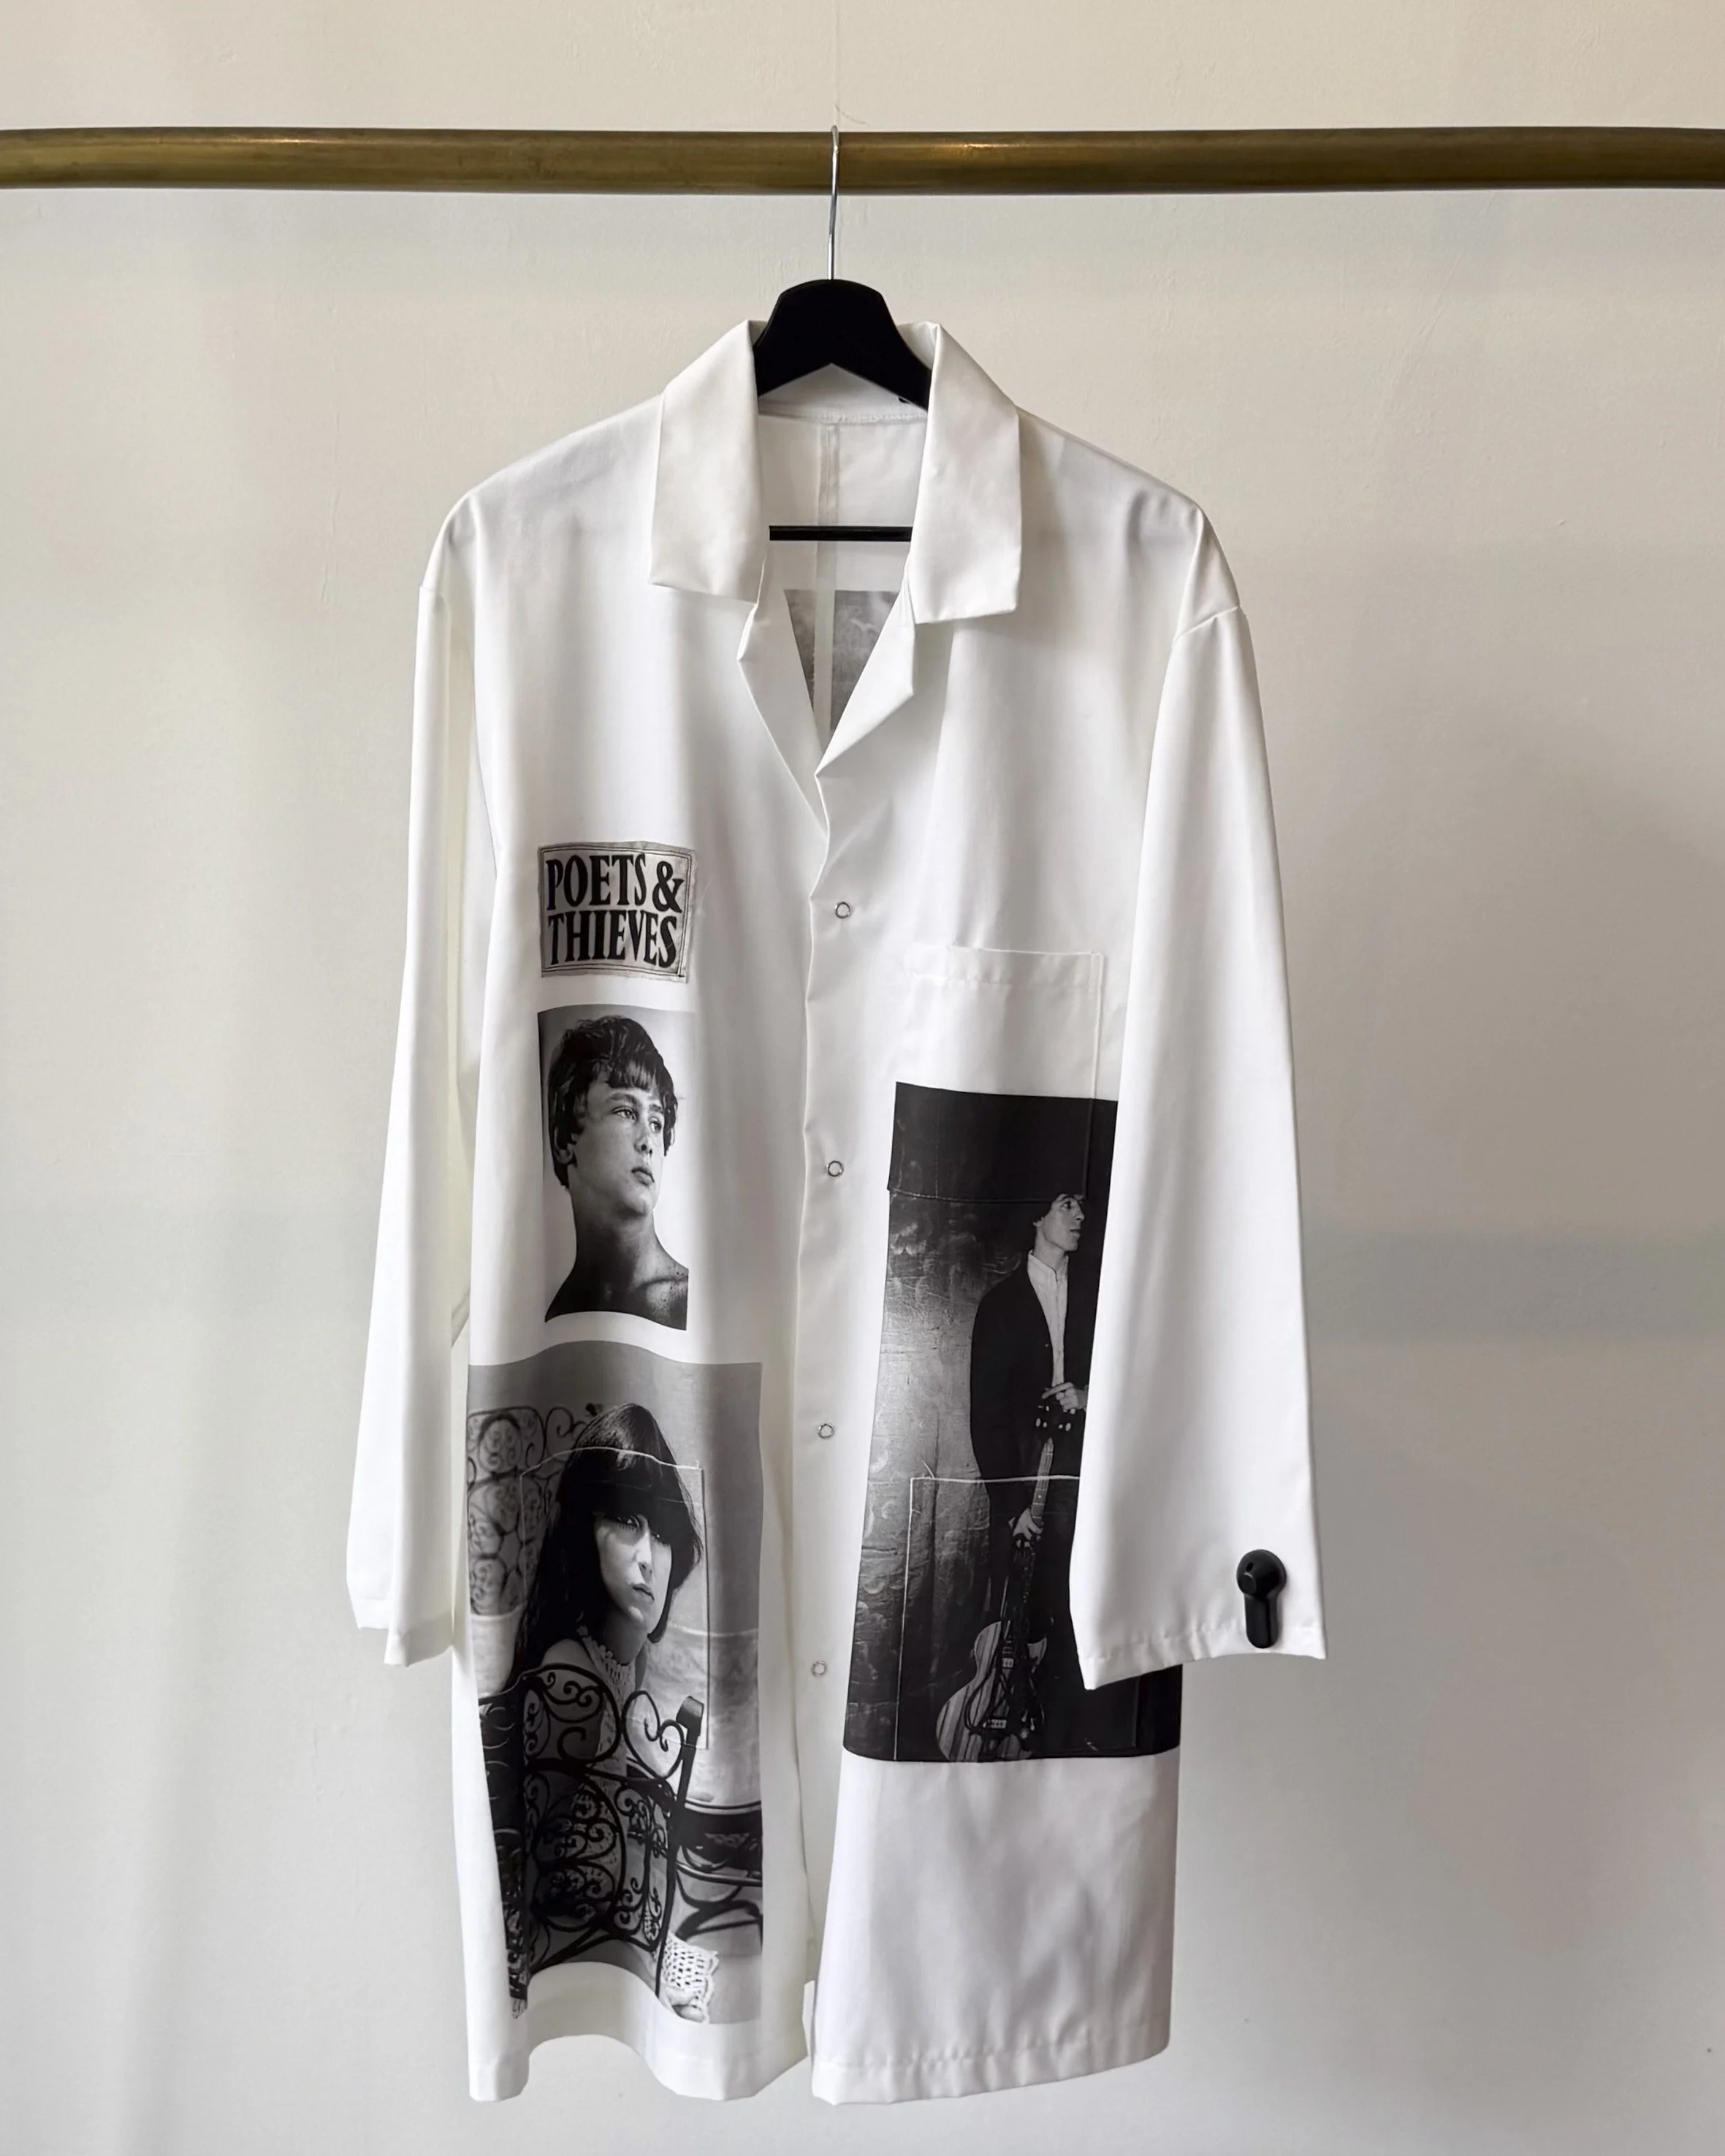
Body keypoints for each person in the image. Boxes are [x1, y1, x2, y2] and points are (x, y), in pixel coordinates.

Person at [501, 1403, 716, 2014]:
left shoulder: (626, 1658)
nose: (649, 1557)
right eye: (625, 1520)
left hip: (615, 1903)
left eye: (663, 1532)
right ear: (584, 1530)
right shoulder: (571, 1675)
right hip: (575, 1934)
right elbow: (536, 1865)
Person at [965, 1192, 1094, 1754]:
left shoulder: (1097, 1300)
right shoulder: (1001, 1304)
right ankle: (1011, 1724)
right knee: (1022, 1606)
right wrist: (1012, 1506)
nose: (1079, 1216)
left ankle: (1063, 1736)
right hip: (1025, 1479)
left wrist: (1087, 1394)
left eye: (1082, 1206)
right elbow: (986, 1412)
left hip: (1082, 1474)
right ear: (1038, 1217)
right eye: (1067, 1205)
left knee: (1075, 1600)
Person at [544, 1014, 689, 1327]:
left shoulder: (684, 1300)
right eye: (626, 1111)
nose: (648, 1142)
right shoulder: (557, 1312)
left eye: (656, 1123)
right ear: (564, 1140)